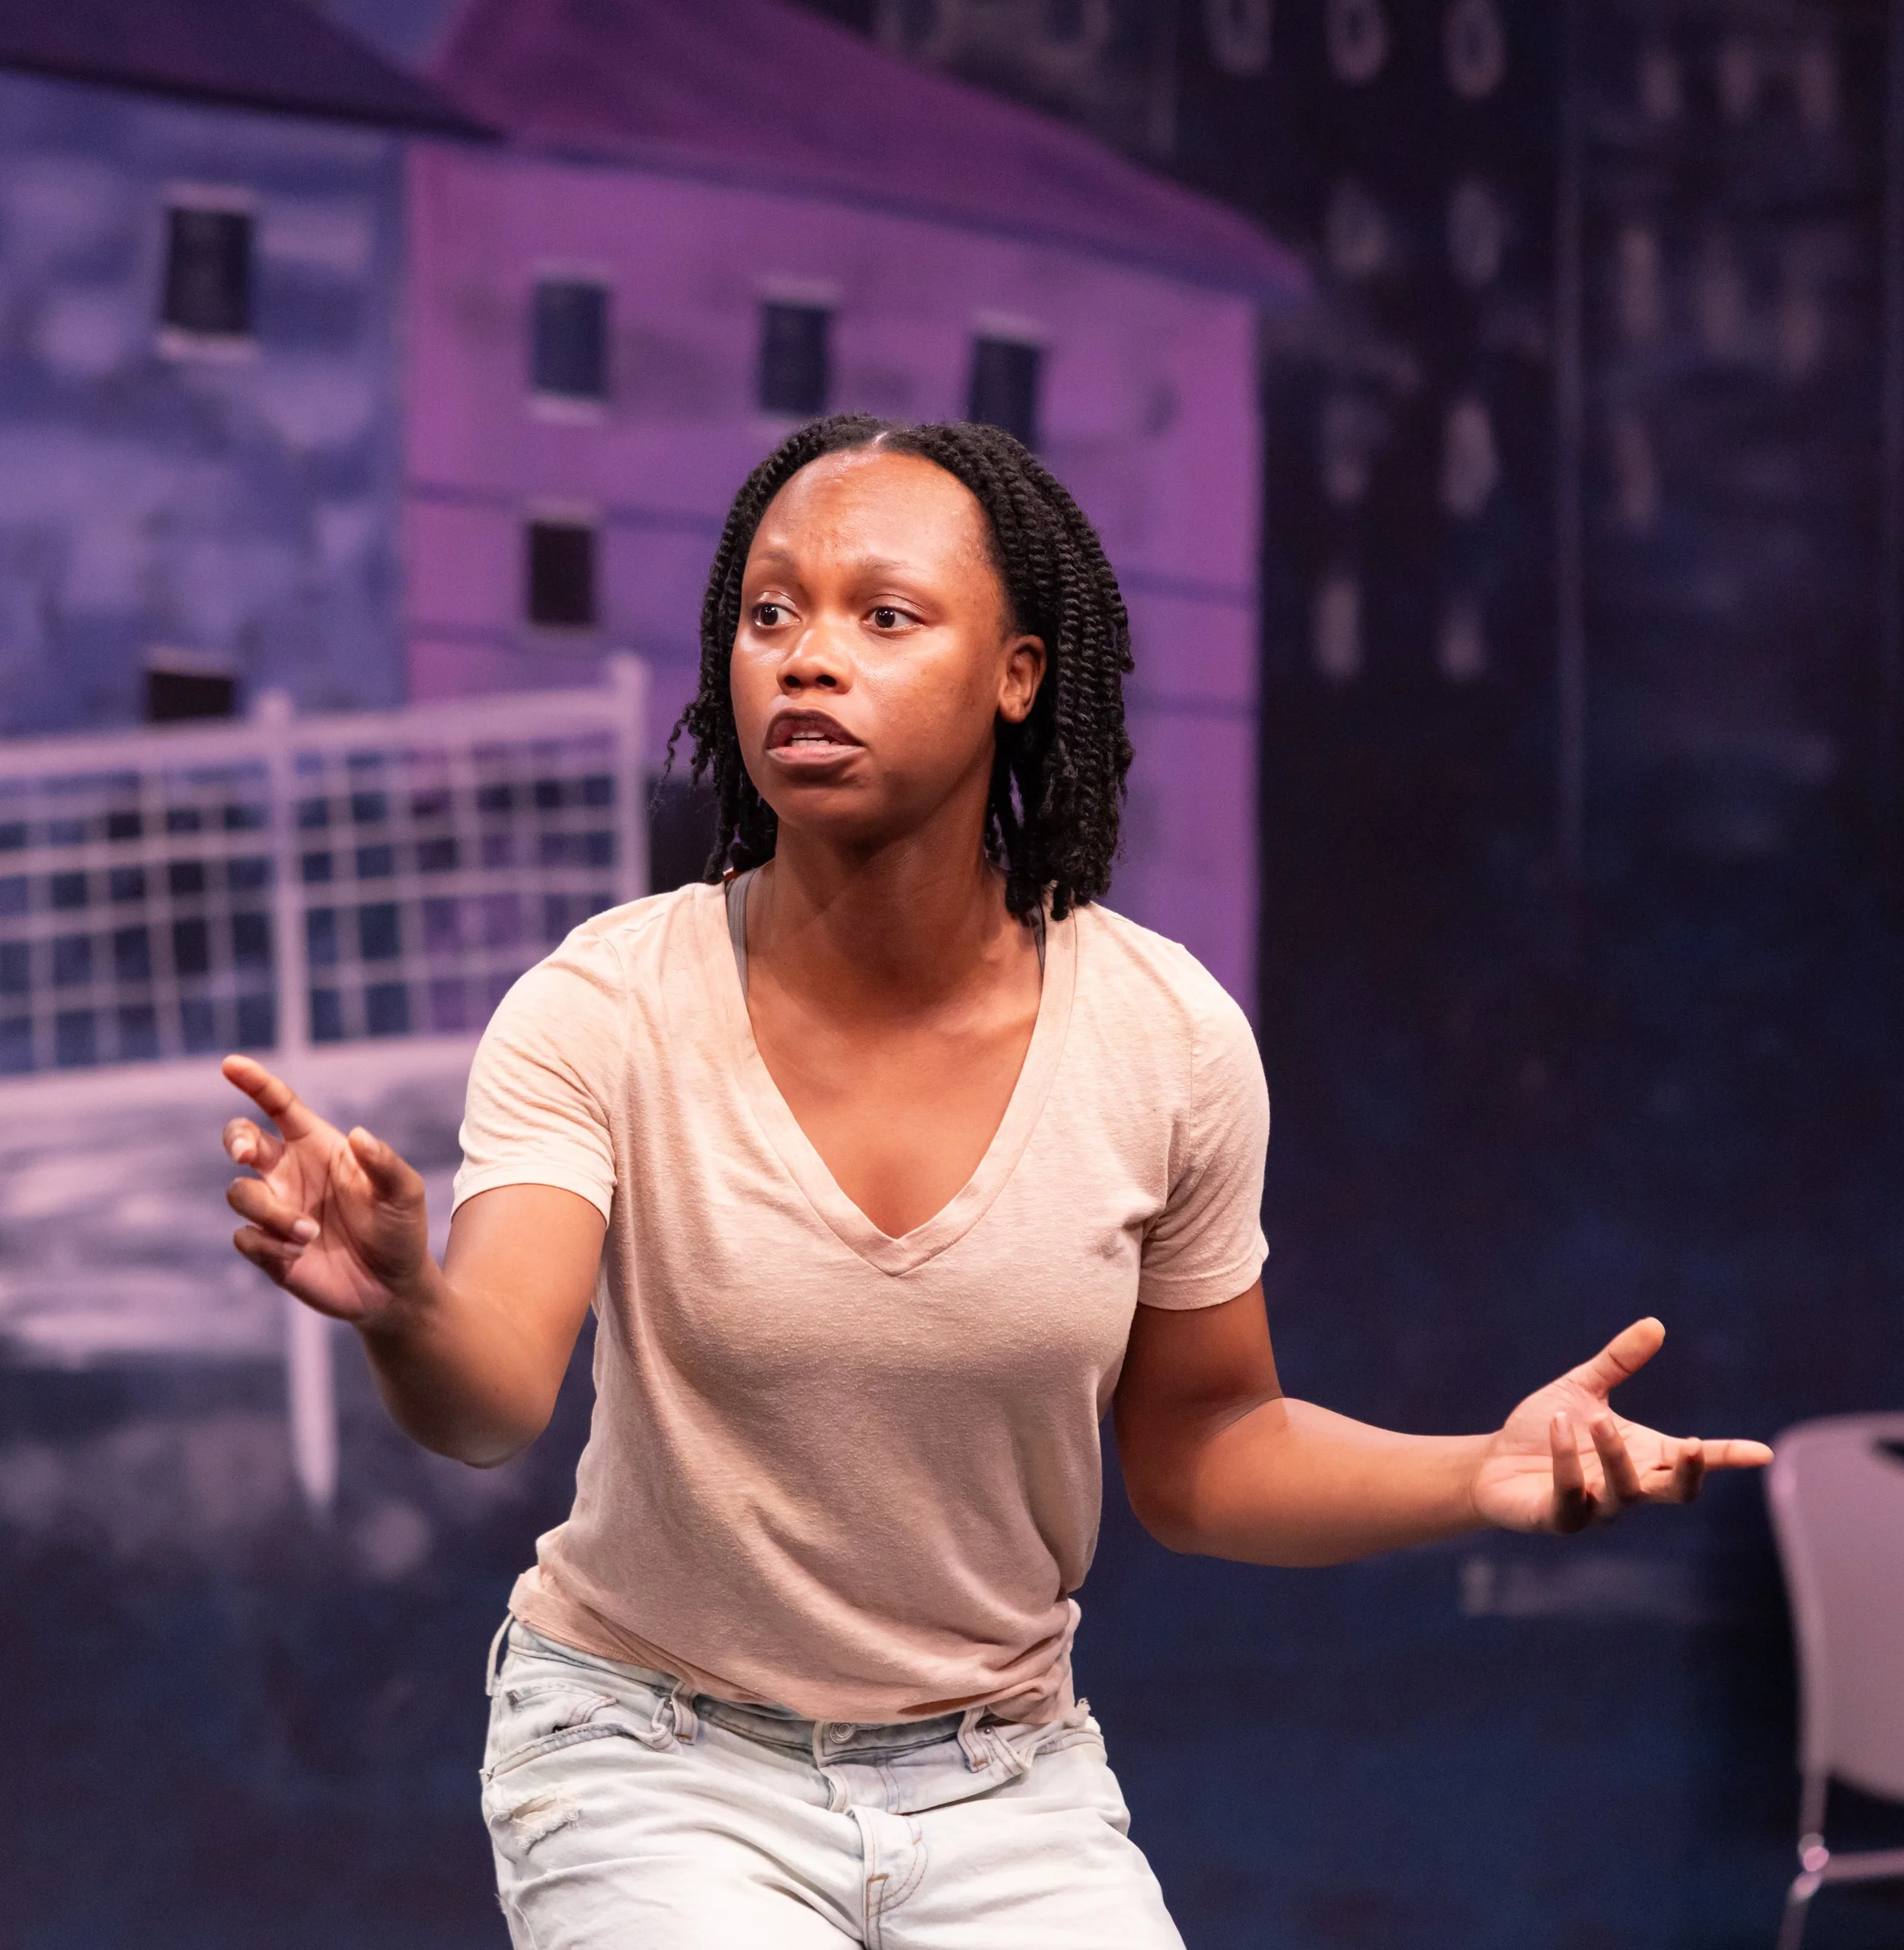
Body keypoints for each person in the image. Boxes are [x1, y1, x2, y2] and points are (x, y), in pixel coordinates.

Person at [219, 414, 1771, 1948]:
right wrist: (406, 1307)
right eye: (771, 614)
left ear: (1016, 675)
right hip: (649, 1755)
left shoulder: (1160, 1034)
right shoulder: (605, 1004)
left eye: (883, 616)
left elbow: (1203, 1442)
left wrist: (1475, 1470)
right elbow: (489, 1399)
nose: (806, 658)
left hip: (999, 1777)